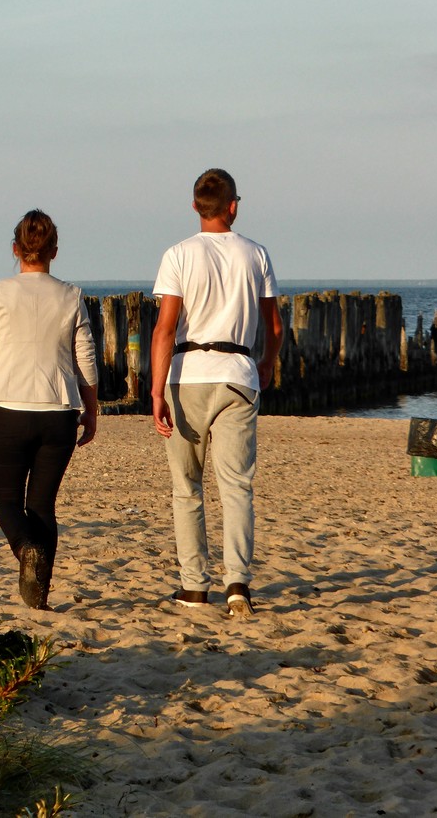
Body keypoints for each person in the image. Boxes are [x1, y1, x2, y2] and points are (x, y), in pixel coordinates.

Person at [150, 168, 283, 617]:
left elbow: (165, 329)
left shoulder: (178, 255)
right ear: (233, 206)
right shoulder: (256, 254)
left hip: (187, 375)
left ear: (194, 207)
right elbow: (275, 326)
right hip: (237, 374)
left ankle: (193, 587)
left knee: (186, 488)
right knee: (237, 486)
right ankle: (238, 585)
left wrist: (155, 389)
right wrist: (265, 362)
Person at [0, 210, 98, 610]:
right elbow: (86, 360)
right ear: (54, 250)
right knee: (41, 507)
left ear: (15, 249)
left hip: (11, 409)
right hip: (58, 411)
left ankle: (26, 550)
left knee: (6, 503)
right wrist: (91, 411)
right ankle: (38, 596)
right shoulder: (71, 295)